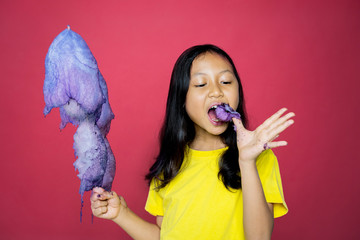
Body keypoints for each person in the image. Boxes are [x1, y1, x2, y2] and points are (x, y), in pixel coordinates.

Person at [91, 44, 295, 240]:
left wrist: (247, 162)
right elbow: (165, 235)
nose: (216, 91)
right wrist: (121, 215)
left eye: (225, 81)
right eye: (200, 84)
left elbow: (259, 238)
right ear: (182, 99)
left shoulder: (260, 157)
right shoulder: (170, 164)